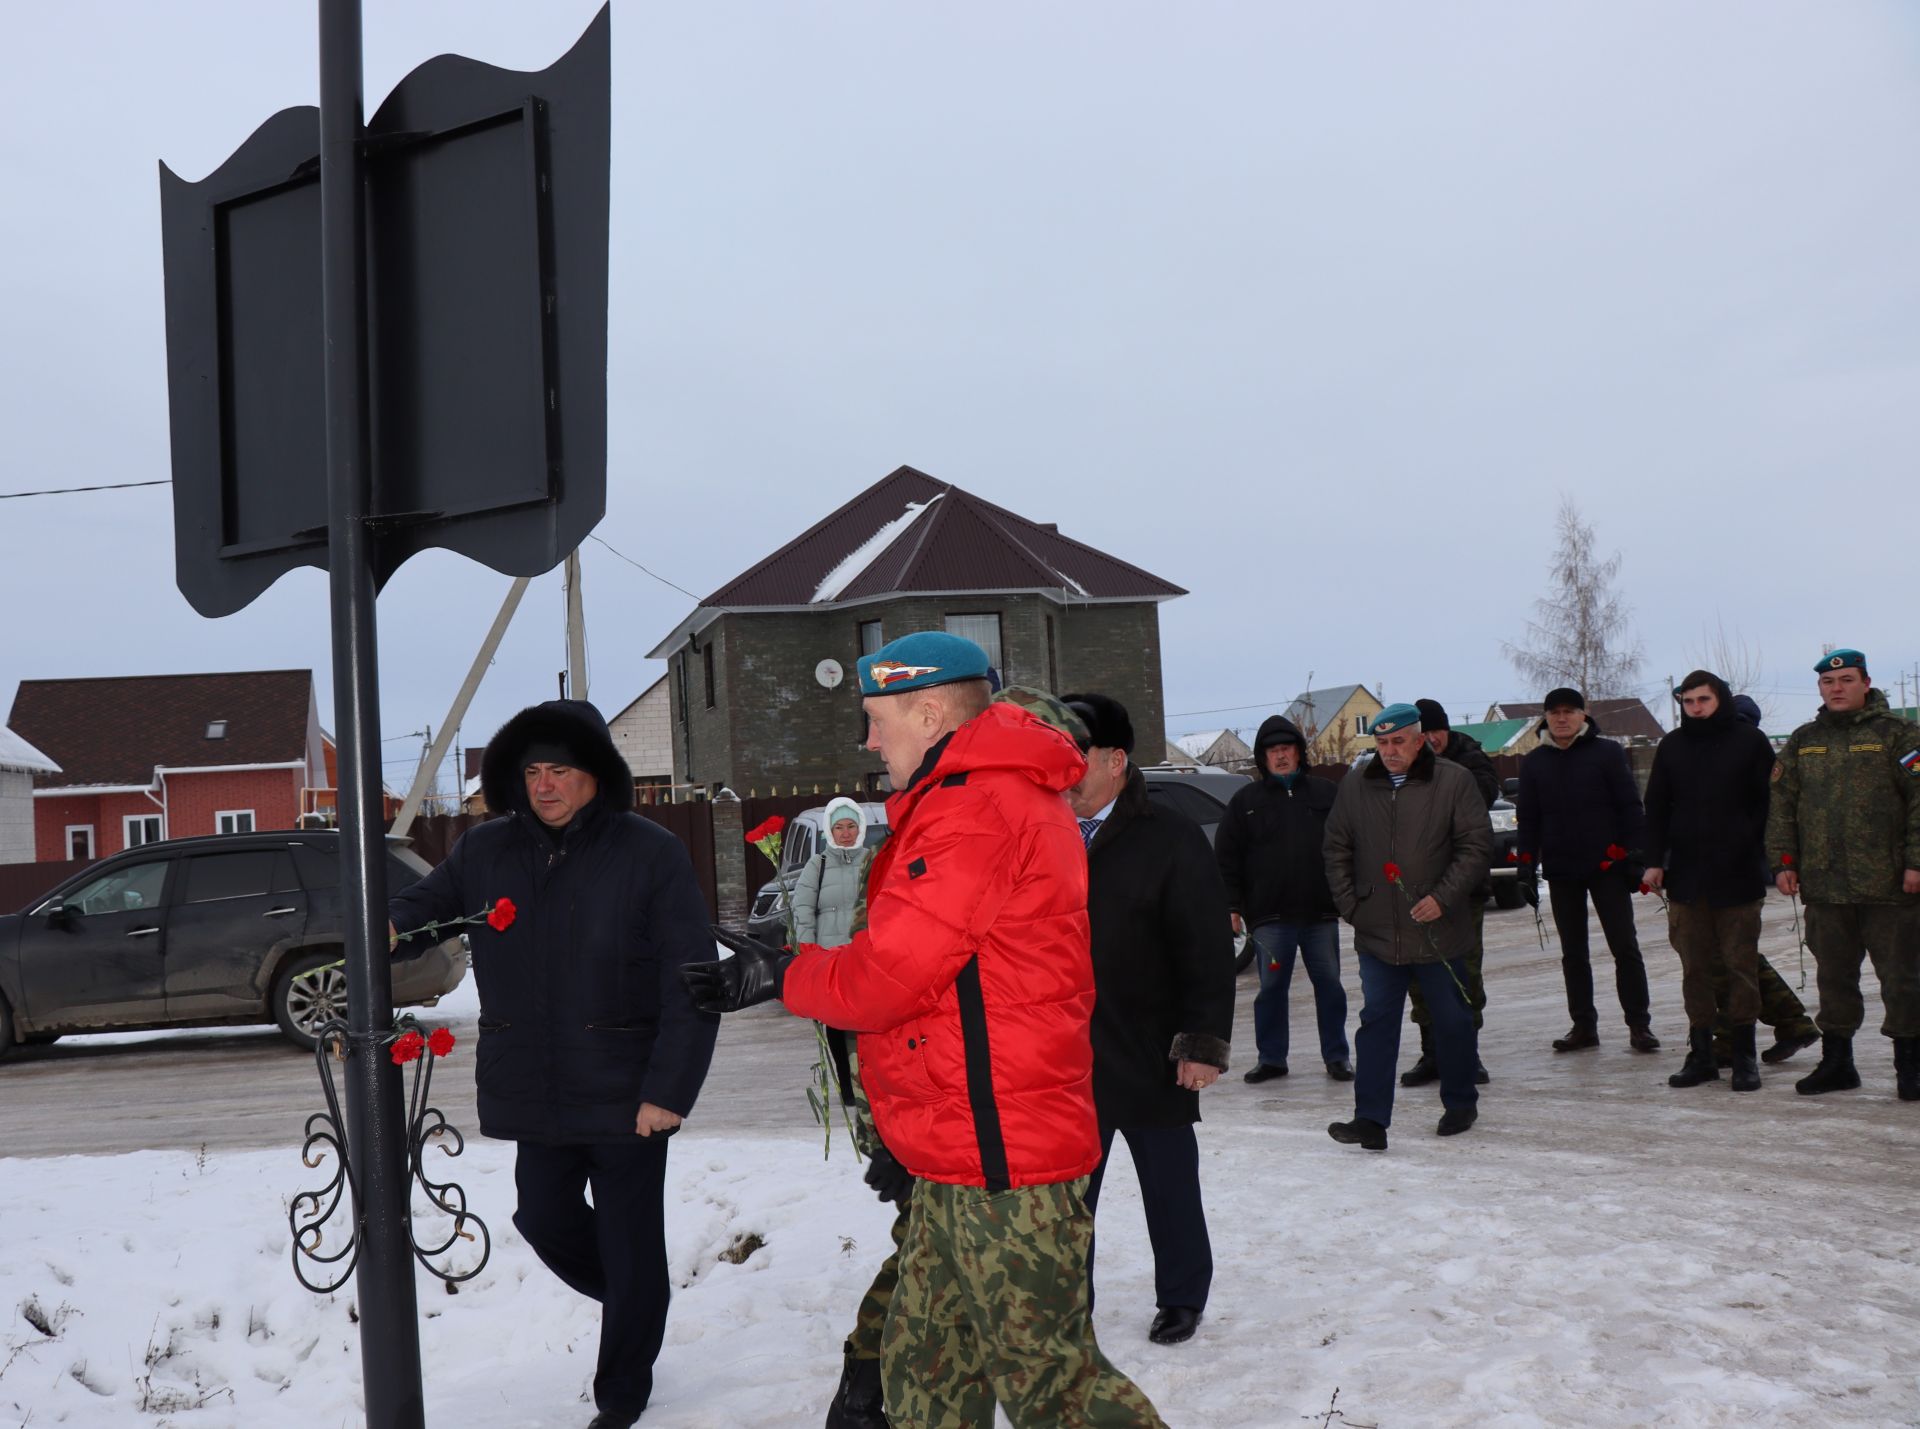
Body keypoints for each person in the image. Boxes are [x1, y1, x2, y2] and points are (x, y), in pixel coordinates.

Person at [683, 632, 1167, 1428]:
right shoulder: (971, 798)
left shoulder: (976, 808)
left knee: (1056, 1385)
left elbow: (890, 979)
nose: (869, 740)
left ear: (931, 709)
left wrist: (783, 977)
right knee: (927, 1370)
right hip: (961, 1149)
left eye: (877, 719)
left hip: (1003, 1155)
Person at [389, 700, 719, 1429]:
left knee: (631, 1239)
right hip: (535, 1083)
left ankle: (622, 1389)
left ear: (595, 774)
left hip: (628, 1089)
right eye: (533, 770)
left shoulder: (650, 852)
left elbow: (691, 979)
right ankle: (639, 1298)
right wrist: (382, 929)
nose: (545, 785)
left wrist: (669, 1089)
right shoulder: (486, 851)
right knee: (541, 1215)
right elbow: (427, 910)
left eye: (560, 770)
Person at [1061, 690, 1234, 1348]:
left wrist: (1202, 1045)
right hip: (1066, 1054)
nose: (1062, 767)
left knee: (1169, 1184)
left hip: (1149, 1046)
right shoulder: (1042, 829)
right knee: (1067, 1201)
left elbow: (1206, 949)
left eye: (1075, 754)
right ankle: (1066, 1305)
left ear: (1115, 759)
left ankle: (1183, 1296)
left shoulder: (1168, 836)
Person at [1324, 704, 1492, 1150]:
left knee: (1452, 1019)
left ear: (1420, 741)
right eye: (1381, 743)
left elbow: (1475, 846)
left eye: (1398, 741)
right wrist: (1352, 905)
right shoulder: (1356, 786)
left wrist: (1443, 898)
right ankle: (1370, 1120)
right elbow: (1335, 845)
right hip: (1377, 931)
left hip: (1439, 929)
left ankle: (1460, 1102)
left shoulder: (1453, 781)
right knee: (1376, 1022)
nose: (1390, 751)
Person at [1764, 649, 1920, 1101]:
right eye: (1829, 682)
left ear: (1865, 683)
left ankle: (1910, 1066)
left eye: (1847, 680)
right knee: (1833, 977)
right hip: (1826, 887)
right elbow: (1781, 807)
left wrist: (1916, 862)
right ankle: (1838, 1063)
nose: (1837, 688)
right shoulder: (1803, 740)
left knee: (1902, 978)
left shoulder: (1899, 735)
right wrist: (1783, 862)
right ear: (1820, 688)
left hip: (1891, 886)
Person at [1643, 671, 1778, 1091]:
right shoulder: (1672, 746)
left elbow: (1768, 806)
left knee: (1740, 968)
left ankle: (1743, 1057)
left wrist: (1755, 851)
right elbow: (1657, 808)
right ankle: (1701, 1055)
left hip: (1736, 876)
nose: (1696, 708)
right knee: (1694, 970)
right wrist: (1654, 861)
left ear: (1719, 698)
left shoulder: (1750, 742)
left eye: (1704, 699)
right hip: (1686, 878)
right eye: (1688, 701)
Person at [1516, 687, 1661, 1055]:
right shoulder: (1534, 763)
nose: (1562, 718)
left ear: (1584, 715)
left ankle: (1639, 1025)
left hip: (1607, 866)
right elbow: (1529, 820)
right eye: (1554, 713)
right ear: (1545, 718)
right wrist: (1525, 868)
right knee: (1573, 953)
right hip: (1563, 869)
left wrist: (1635, 857)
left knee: (1624, 946)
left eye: (1569, 711)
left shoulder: (1606, 753)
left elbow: (1630, 807)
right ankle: (1583, 1026)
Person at [1213, 715, 1350, 1083]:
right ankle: (1271, 1058)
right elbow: (1227, 858)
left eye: (1287, 749)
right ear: (1263, 757)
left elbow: (1348, 845)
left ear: (1299, 753)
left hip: (1320, 914)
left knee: (1331, 988)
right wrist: (1232, 906)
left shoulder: (1326, 794)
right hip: (1270, 918)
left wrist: (1350, 895)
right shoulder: (1246, 802)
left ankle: (1337, 1056)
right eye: (1273, 751)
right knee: (1271, 990)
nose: (1281, 756)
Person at [1714, 695, 1821, 1066]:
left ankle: (1737, 1037)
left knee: (1731, 957)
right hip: (1717, 868)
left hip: (1738, 868)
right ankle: (1790, 1023)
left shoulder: (1751, 757)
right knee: (1731, 955)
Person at [1401, 698, 1495, 1088]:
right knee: (1420, 978)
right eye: (1424, 734)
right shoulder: (1404, 766)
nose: (1431, 740)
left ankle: (1467, 1055)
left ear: (1445, 730)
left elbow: (1481, 799)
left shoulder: (1470, 760)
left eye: (1435, 732)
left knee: (1464, 975)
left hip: (1461, 892)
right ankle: (1432, 1054)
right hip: (1416, 891)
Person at [793, 796, 876, 950]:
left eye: (851, 826)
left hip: (867, 952)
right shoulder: (817, 865)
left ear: (861, 827)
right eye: (839, 827)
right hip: (829, 955)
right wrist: (807, 951)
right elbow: (803, 913)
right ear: (830, 831)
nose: (846, 834)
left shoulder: (873, 860)